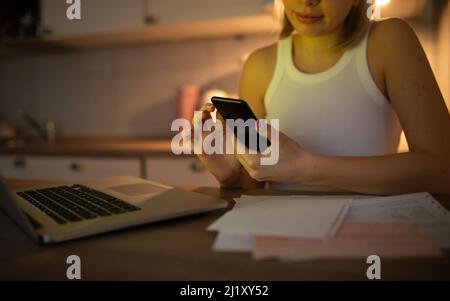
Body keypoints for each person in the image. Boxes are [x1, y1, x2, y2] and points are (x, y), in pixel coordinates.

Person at [195, 0, 450, 195]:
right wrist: (231, 177)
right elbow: (254, 185)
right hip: (284, 235)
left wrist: (308, 168)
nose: (308, 0)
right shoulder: (258, 65)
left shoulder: (389, 40)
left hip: (369, 232)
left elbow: (442, 170)